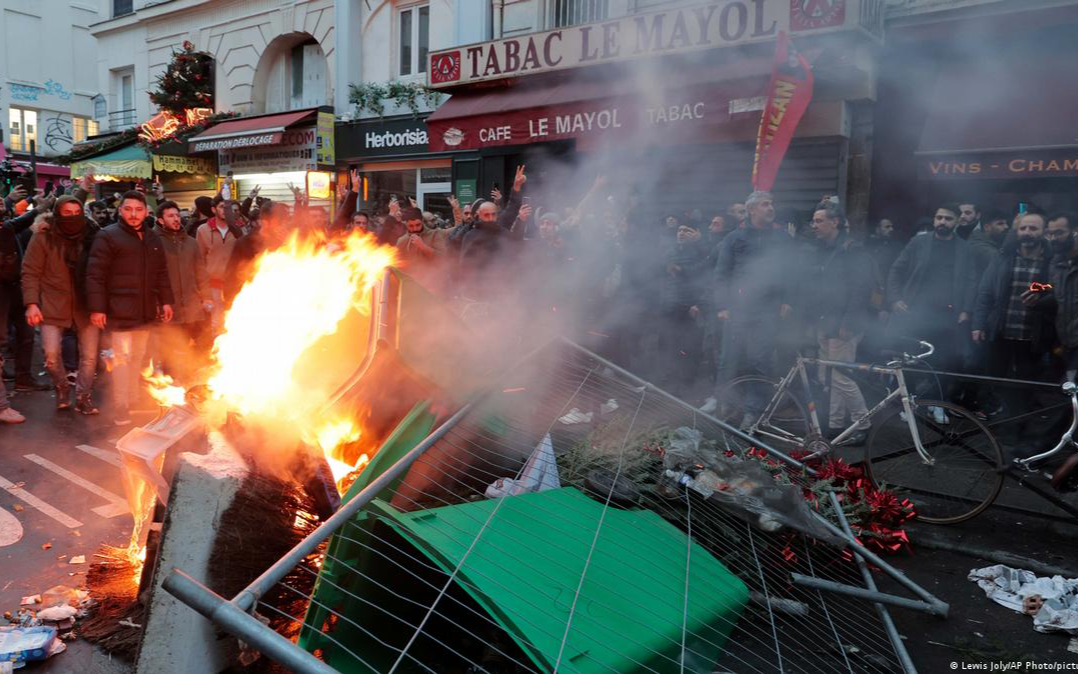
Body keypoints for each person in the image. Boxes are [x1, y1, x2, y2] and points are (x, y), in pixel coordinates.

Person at [702, 191, 794, 424]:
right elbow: (721, 274)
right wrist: (722, 305)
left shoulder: (781, 239)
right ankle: (723, 403)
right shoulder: (734, 238)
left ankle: (754, 411)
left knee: (760, 360)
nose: (770, 208)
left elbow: (791, 273)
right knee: (728, 359)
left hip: (767, 310)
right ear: (752, 209)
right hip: (737, 308)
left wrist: (786, 300)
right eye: (765, 204)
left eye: (772, 203)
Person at [86, 191, 175, 425]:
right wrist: (98, 308)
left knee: (138, 358)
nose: (133, 214)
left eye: (138, 209)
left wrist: (166, 301)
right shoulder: (108, 236)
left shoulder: (153, 238)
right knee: (122, 361)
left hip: (144, 311)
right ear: (120, 210)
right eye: (128, 209)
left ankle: (133, 398)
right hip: (119, 310)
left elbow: (162, 274)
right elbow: (95, 275)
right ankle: (121, 406)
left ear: (146, 211)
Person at [887, 204, 979, 413]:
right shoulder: (918, 242)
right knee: (909, 359)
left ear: (956, 222)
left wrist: (966, 309)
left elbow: (972, 280)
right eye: (939, 217)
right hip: (915, 312)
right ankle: (907, 405)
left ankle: (937, 404)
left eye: (947, 218)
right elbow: (896, 269)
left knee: (946, 361)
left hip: (947, 314)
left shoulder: (964, 248)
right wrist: (894, 299)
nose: (942, 222)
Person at [972, 212, 1053, 434]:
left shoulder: (1051, 260)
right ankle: (997, 423)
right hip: (1001, 331)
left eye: (1033, 229)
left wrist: (1042, 293)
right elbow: (985, 292)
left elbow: (1056, 287)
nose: (1028, 233)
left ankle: (1020, 427)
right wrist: (978, 324)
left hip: (1033, 335)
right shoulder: (1004, 257)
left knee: (1027, 383)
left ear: (1044, 233)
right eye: (1024, 228)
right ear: (1017, 231)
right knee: (995, 379)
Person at [803, 201, 876, 446]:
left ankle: (863, 423)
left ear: (835, 222)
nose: (814, 225)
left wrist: (849, 322)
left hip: (844, 323)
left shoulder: (853, 249)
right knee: (830, 377)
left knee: (841, 377)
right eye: (813, 221)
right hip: (825, 321)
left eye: (819, 220)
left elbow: (861, 288)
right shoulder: (822, 249)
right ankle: (836, 424)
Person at [21, 196, 101, 414]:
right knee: (51, 355)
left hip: (85, 304)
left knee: (90, 357)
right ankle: (63, 387)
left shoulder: (91, 236)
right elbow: (30, 271)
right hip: (53, 304)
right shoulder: (43, 237)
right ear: (57, 213)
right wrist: (32, 303)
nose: (74, 217)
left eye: (78, 212)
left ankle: (84, 397)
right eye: (68, 212)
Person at [155, 200, 212, 383]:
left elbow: (201, 273)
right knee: (169, 353)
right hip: (169, 309)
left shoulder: (191, 243)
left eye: (177, 215)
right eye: (170, 216)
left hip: (193, 307)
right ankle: (170, 390)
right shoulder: (154, 243)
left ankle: (194, 387)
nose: (176, 219)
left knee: (198, 350)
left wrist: (206, 298)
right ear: (161, 220)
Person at [660, 222, 708, 397]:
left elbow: (704, 274)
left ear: (697, 233)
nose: (682, 233)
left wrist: (700, 304)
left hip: (692, 306)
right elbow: (662, 276)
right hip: (672, 305)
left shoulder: (701, 250)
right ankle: (672, 382)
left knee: (691, 346)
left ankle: (688, 383)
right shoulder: (671, 251)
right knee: (671, 343)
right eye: (680, 230)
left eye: (687, 230)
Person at [196, 197, 241, 334]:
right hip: (212, 285)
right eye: (222, 207)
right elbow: (199, 260)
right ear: (213, 209)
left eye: (228, 207)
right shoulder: (203, 230)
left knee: (234, 320)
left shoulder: (239, 229)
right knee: (215, 323)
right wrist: (202, 289)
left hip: (234, 284)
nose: (225, 210)